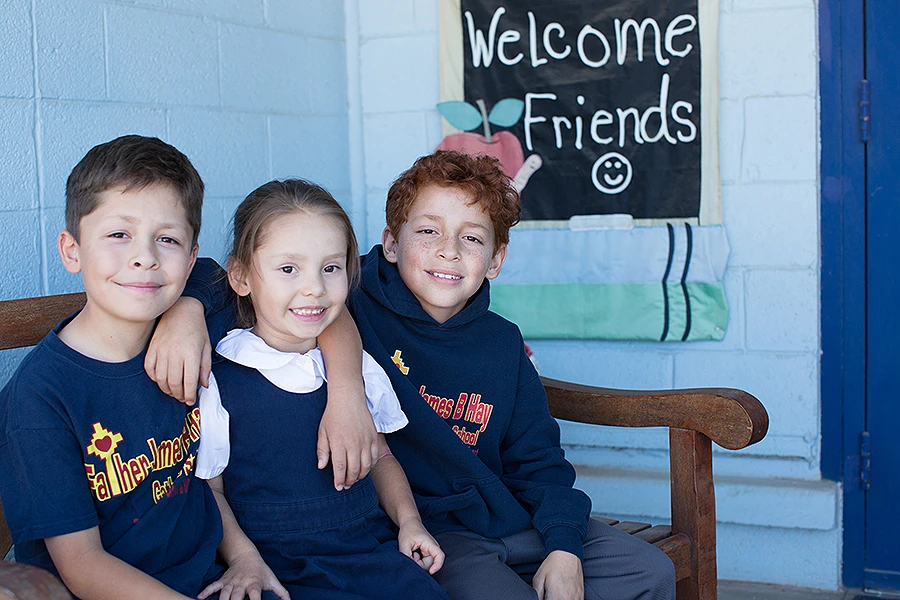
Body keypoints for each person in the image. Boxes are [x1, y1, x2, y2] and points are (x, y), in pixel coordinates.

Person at [156, 151, 676, 600]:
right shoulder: (349, 295)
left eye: (471, 238)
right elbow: (229, 276)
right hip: (429, 531)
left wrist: (563, 547)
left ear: (496, 259)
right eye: (428, 232)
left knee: (650, 572)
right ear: (390, 242)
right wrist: (187, 310)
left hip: (510, 517)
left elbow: (538, 460)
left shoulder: (502, 343)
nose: (449, 251)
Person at [0, 135, 284, 600]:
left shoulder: (187, 330)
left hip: (213, 577)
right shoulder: (41, 396)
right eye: (119, 234)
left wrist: (188, 308)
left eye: (167, 239)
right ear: (72, 250)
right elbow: (82, 566)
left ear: (187, 259)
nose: (145, 257)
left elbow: (218, 275)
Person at [193, 179, 450, 600]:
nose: (314, 287)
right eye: (288, 269)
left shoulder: (355, 367)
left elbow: (381, 456)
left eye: (330, 268)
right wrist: (243, 558)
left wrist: (409, 523)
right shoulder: (220, 378)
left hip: (365, 550)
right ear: (241, 276)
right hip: (271, 562)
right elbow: (211, 490)